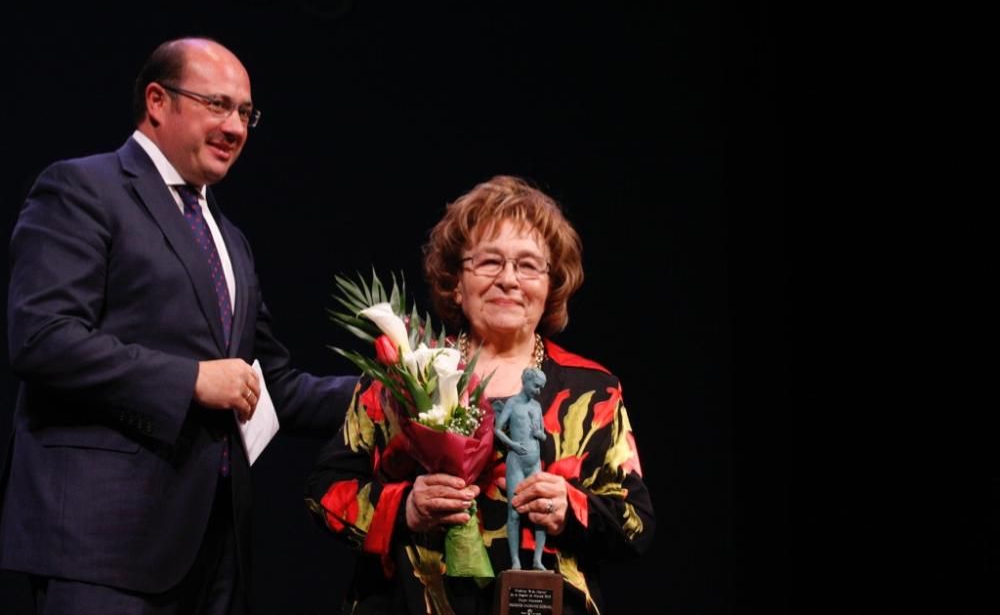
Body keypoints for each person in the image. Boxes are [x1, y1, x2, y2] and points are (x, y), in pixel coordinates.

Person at [0, 37, 357, 614]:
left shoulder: (229, 239)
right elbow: (43, 338)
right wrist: (189, 378)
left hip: (211, 553)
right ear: (158, 101)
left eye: (245, 112)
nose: (236, 126)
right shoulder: (82, 188)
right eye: (217, 105)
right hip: (100, 547)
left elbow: (272, 386)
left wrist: (397, 393)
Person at [307, 175, 655, 614]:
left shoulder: (594, 390)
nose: (509, 279)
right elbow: (323, 493)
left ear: (551, 285)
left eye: (528, 265)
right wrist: (404, 507)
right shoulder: (402, 373)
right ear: (455, 281)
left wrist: (571, 507)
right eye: (489, 262)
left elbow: (637, 525)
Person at [494, 367, 548, 571]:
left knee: (540, 510)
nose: (538, 391)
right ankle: (515, 560)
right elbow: (498, 429)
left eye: (541, 388)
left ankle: (537, 559)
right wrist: (513, 445)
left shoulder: (536, 407)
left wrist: (538, 433)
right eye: (536, 386)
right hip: (516, 460)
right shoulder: (512, 404)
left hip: (534, 461)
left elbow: (543, 435)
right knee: (514, 511)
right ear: (525, 381)